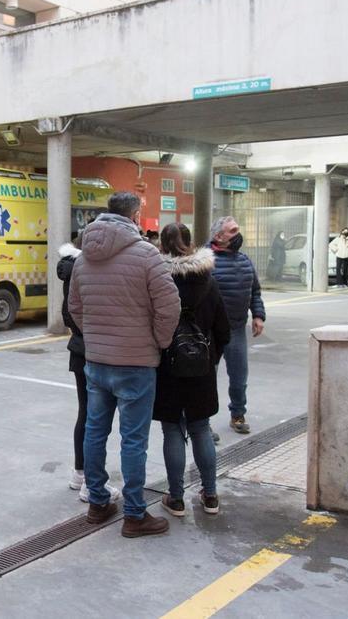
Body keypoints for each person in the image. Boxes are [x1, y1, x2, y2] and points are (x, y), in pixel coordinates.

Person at [69, 192, 181, 538]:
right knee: (133, 440)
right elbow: (169, 307)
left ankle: (98, 502)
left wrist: (96, 337)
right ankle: (134, 514)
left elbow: (75, 307)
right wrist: (158, 342)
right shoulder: (147, 255)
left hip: (97, 360)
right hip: (136, 362)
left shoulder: (83, 257)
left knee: (94, 431)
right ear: (135, 215)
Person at [155, 223, 231, 517]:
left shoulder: (157, 279)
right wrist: (209, 358)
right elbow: (223, 329)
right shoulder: (208, 280)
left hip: (167, 367)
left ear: (162, 244)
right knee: (201, 429)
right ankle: (210, 495)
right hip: (201, 368)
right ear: (191, 243)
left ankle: (176, 499)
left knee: (172, 429)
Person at [57, 235, 121, 504]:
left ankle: (79, 474)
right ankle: (92, 484)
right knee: (97, 419)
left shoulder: (70, 269)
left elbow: (68, 312)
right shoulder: (87, 270)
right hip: (92, 350)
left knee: (86, 413)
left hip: (79, 349)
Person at [208, 216, 266, 435]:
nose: (238, 235)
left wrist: (258, 315)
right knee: (206, 379)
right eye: (232, 231)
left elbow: (255, 291)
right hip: (211, 332)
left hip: (236, 329)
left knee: (239, 377)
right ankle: (203, 422)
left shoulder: (244, 260)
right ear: (218, 236)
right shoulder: (205, 260)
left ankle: (238, 414)